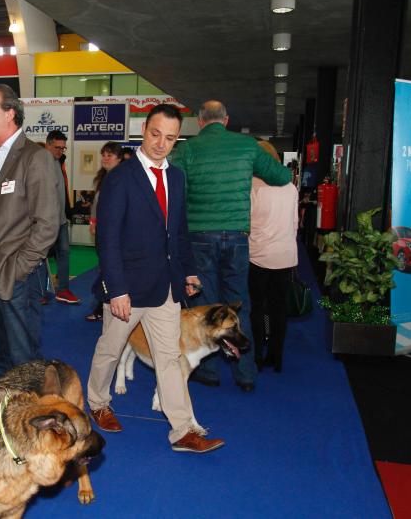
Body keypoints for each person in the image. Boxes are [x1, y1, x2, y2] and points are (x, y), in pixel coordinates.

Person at [86, 104, 224, 453]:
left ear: (178, 139)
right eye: (155, 134)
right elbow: (108, 238)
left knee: (169, 358)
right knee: (111, 349)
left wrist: (188, 270)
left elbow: (178, 231)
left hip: (165, 287)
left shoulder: (176, 177)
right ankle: (98, 402)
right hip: (127, 290)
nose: (161, 143)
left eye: (170, 138)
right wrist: (116, 289)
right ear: (144, 130)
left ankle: (182, 431)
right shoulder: (121, 176)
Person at [173, 100, 292, 392]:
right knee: (241, 304)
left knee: (205, 306)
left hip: (199, 236)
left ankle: (209, 370)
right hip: (237, 237)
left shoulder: (187, 149)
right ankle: (246, 374)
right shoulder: (247, 145)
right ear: (226, 120)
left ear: (200, 122)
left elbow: (174, 188)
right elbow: (283, 176)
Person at [0, 84, 60, 377]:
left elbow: (47, 224)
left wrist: (19, 268)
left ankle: (29, 418)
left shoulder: (35, 157)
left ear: (10, 113)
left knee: (23, 359)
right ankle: (3, 415)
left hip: (14, 275)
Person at [249, 140, 299, 373]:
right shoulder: (291, 187)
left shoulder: (254, 186)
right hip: (285, 256)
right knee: (279, 308)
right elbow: (295, 224)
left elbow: (247, 223)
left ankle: (257, 355)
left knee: (257, 307)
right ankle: (276, 357)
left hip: (258, 256)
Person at [85, 141, 124, 322]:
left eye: (109, 155)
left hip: (115, 234)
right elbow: (96, 204)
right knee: (104, 267)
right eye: (104, 155)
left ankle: (103, 306)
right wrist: (93, 221)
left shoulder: (122, 179)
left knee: (108, 269)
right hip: (103, 231)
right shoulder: (103, 178)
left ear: (119, 158)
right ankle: (103, 305)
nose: (105, 158)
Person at [44, 130, 81, 304]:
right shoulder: (40, 163)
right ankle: (39, 292)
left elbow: (61, 191)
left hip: (60, 220)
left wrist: (67, 212)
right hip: (45, 222)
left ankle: (63, 290)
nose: (60, 151)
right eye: (57, 148)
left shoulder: (59, 162)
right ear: (48, 144)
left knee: (64, 253)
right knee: (38, 257)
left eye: (63, 148)